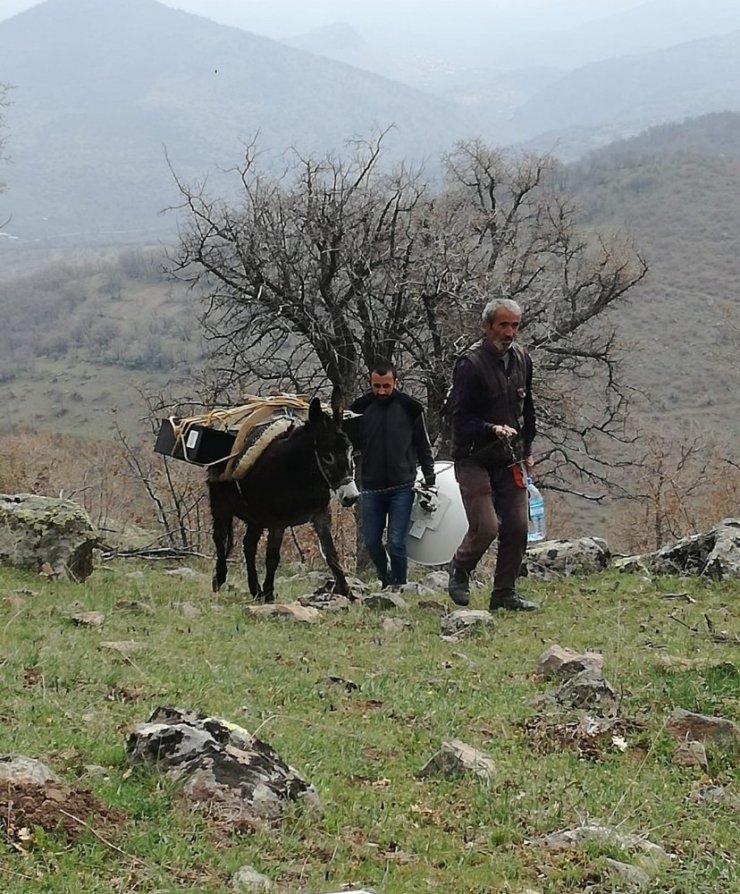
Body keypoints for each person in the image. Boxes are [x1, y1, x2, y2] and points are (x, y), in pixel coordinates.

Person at [447, 298, 540, 612]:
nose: (510, 332)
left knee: (517, 526)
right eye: (503, 325)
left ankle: (504, 595)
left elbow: (528, 409)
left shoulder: (523, 359)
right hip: (473, 458)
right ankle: (460, 568)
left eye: (515, 325)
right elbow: (459, 418)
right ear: (486, 327)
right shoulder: (470, 365)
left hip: (509, 458)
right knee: (487, 525)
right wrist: (491, 428)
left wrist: (527, 451)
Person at [349, 360, 436, 588]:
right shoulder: (359, 409)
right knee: (372, 543)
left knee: (396, 542)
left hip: (402, 486)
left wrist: (430, 480)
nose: (381, 391)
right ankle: (385, 581)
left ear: (395, 382)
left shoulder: (411, 407)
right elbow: (347, 445)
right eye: (376, 386)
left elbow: (423, 446)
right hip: (371, 487)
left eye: (386, 386)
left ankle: (400, 586)